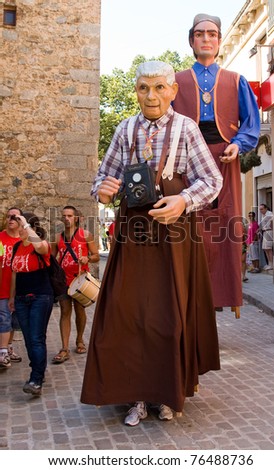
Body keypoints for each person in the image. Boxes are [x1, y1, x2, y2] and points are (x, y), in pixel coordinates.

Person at [81, 61, 223, 426]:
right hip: (133, 232)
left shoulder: (186, 128)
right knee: (127, 314)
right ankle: (137, 396)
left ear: (173, 91)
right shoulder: (125, 129)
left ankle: (166, 395)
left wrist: (183, 201)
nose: (151, 96)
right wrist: (104, 190)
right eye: (144, 88)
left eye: (160, 87)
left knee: (169, 316)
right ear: (136, 91)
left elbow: (211, 180)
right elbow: (102, 179)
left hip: (175, 234)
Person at [173, 13, 260, 314]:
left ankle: (223, 292)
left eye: (212, 34)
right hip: (188, 158)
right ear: (192, 40)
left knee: (226, 223)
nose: (206, 39)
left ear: (220, 41)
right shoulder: (175, 81)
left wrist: (238, 144)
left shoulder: (236, 81)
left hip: (226, 156)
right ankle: (187, 293)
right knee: (187, 221)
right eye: (200, 34)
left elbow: (251, 123)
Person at [8, 213, 53, 395]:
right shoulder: (17, 246)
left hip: (40, 296)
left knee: (36, 338)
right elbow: (14, 273)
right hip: (21, 298)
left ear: (28, 227)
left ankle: (36, 379)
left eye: (19, 226)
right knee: (28, 339)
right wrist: (12, 297)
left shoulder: (41, 244)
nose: (17, 229)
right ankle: (37, 372)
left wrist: (25, 224)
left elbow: (41, 248)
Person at [51, 205, 99, 363]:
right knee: (65, 312)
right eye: (64, 215)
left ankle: (79, 340)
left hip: (80, 280)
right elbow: (52, 259)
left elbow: (96, 255)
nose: (66, 218)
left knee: (80, 311)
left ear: (76, 218)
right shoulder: (57, 237)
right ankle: (64, 348)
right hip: (63, 281)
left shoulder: (86, 235)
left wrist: (88, 259)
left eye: (70, 215)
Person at [0, 207, 23, 369]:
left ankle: (7, 348)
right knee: (4, 320)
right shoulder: (0, 238)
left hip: (19, 289)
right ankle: (2, 352)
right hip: (2, 287)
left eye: (15, 217)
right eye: (8, 217)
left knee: (14, 322)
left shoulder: (23, 240)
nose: (11, 219)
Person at [259, 204, 273, 270]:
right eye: (260, 209)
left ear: (266, 208)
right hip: (264, 232)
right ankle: (269, 263)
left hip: (269, 232)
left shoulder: (269, 214)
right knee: (265, 248)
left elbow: (273, 222)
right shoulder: (262, 215)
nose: (260, 211)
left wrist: (271, 230)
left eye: (262, 209)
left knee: (269, 248)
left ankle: (272, 264)